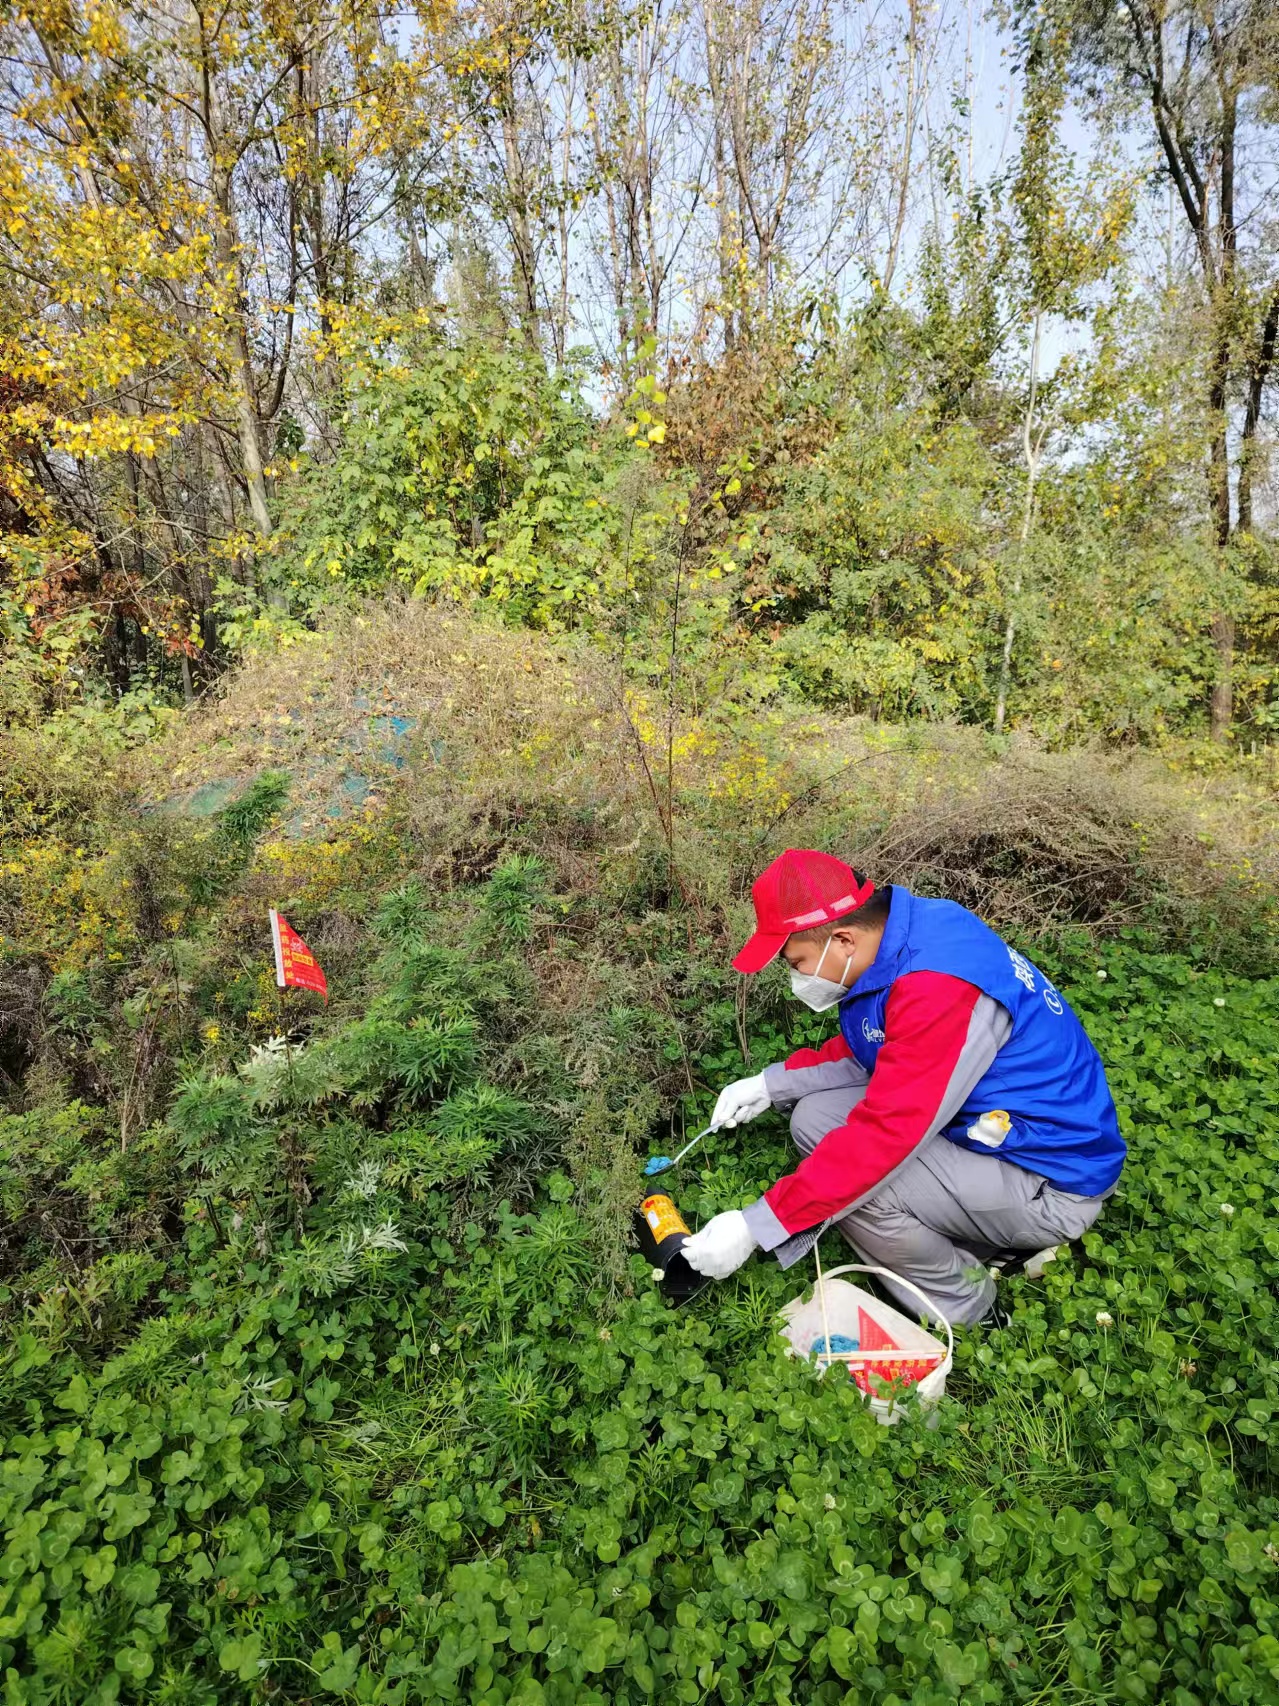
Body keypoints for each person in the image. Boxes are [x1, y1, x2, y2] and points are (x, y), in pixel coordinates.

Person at [680, 849, 1124, 1324]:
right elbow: (882, 1043)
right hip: (997, 1134)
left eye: (797, 962)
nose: (797, 978)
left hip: (1049, 1182)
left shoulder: (937, 988)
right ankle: (970, 1234)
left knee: (856, 1190)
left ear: (843, 940)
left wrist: (756, 1226)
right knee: (814, 1119)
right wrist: (771, 1084)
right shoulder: (916, 929)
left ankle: (968, 1305)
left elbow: (886, 1136)